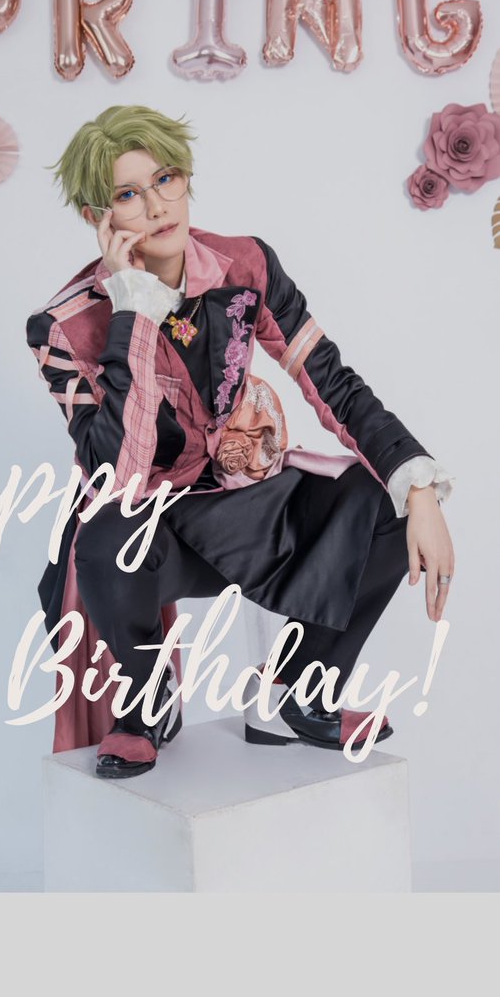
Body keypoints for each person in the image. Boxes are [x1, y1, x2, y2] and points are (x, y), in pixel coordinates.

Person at [26, 104, 455, 779]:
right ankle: (145, 704)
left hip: (245, 502)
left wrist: (419, 488)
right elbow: (117, 474)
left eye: (165, 179)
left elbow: (331, 383)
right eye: (128, 195)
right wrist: (133, 308)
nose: (157, 205)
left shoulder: (245, 265)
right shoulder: (62, 327)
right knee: (105, 539)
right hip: (150, 530)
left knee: (383, 500)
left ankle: (300, 693)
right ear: (97, 217)